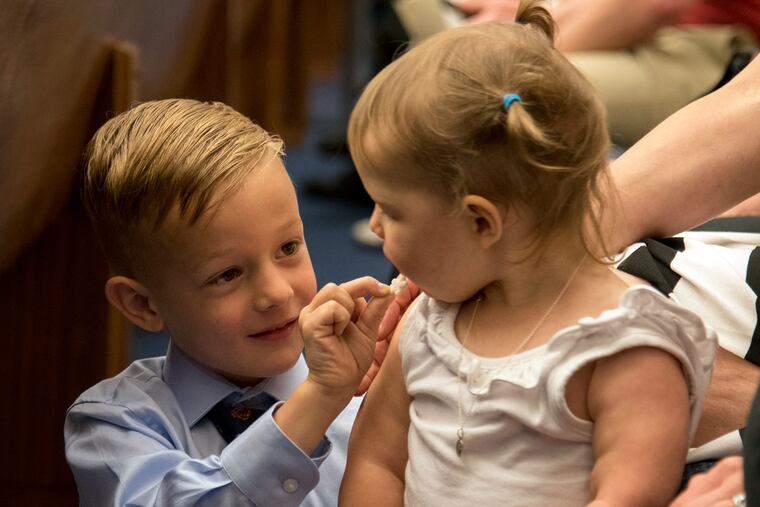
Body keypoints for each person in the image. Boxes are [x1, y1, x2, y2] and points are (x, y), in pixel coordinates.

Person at [339, 2, 722, 505]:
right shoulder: (427, 323)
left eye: (391, 209)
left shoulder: (626, 348)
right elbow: (377, 463)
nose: (373, 223)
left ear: (481, 222)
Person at [64, 98, 397, 506]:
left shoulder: (372, 395)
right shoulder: (113, 425)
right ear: (143, 305)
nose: (276, 293)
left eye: (288, 247)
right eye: (227, 274)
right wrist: (319, 400)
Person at [454, 0, 759, 147]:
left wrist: (521, 50)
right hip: (658, 32)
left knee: (479, 91)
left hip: (720, 52)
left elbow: (656, 5)